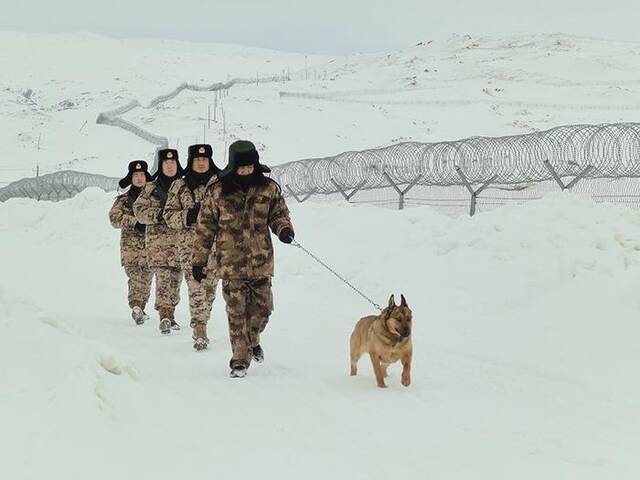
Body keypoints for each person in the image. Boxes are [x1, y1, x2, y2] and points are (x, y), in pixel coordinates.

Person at [191, 140, 294, 378]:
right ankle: (239, 360)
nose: (247, 171)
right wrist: (199, 260)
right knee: (237, 313)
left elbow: (279, 214)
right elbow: (205, 228)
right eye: (242, 167)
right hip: (230, 263)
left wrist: (284, 230)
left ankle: (253, 339)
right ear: (233, 166)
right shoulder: (217, 191)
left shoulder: (268, 188)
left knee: (264, 310)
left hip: (261, 262)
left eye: (250, 166)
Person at [164, 144, 221, 350]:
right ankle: (200, 328)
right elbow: (168, 216)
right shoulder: (179, 186)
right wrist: (188, 216)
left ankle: (201, 318)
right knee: (196, 285)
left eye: (205, 159)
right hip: (190, 247)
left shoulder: (221, 183)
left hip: (216, 246)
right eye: (197, 159)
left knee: (210, 289)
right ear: (191, 161)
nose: (201, 162)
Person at [133, 148, 184, 334]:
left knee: (176, 282)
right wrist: (159, 215)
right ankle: (165, 316)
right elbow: (138, 210)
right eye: (166, 163)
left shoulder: (184, 186)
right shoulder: (150, 188)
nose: (169, 166)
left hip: (179, 243)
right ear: (161, 166)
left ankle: (171, 314)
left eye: (172, 163)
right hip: (158, 245)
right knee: (163, 281)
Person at [109, 160, 153, 325]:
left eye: (142, 175)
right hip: (131, 248)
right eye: (136, 175)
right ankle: (136, 305)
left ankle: (141, 307)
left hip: (150, 247)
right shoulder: (123, 200)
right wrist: (134, 221)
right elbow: (114, 218)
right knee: (135, 278)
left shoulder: (153, 198)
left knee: (147, 279)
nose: (140, 178)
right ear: (131, 178)